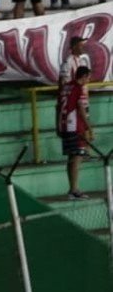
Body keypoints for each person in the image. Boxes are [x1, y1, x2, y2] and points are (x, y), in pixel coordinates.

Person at [58, 64, 94, 199]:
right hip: (74, 127)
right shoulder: (78, 88)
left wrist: (58, 126)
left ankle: (71, 189)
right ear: (83, 76)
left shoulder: (66, 87)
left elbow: (58, 106)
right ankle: (74, 190)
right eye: (88, 78)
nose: (88, 81)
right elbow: (81, 109)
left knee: (71, 158)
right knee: (77, 158)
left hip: (64, 125)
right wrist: (89, 128)